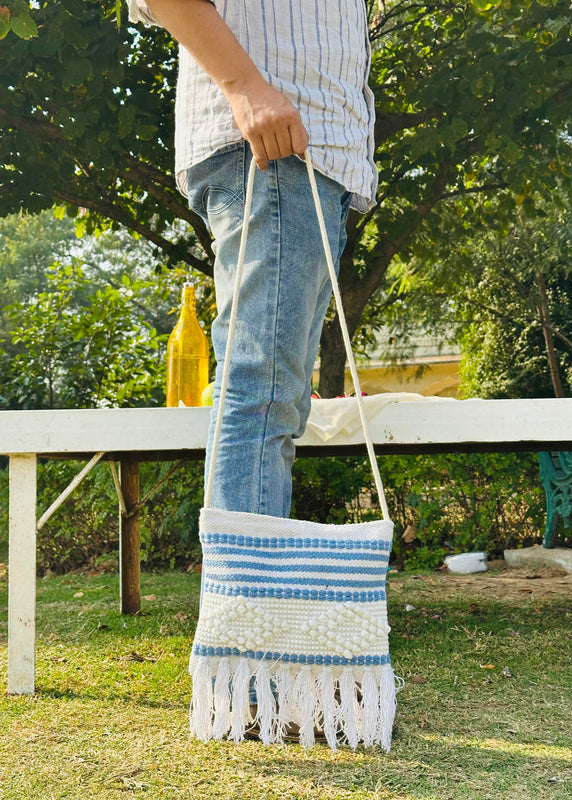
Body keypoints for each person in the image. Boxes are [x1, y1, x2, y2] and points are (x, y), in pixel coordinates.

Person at [127, 0, 378, 518]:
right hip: (274, 146)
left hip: (315, 157)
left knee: (276, 398)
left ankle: (251, 588)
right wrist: (244, 86)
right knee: (262, 392)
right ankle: (245, 594)